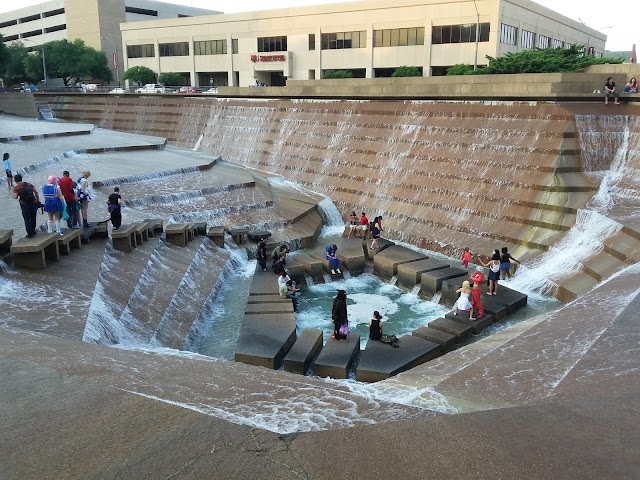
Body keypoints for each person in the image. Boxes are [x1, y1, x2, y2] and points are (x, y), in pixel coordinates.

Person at [12, 173, 40, 238]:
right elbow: (36, 192)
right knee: (33, 217)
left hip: (25, 205)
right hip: (33, 203)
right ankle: (33, 231)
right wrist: (38, 201)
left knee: (27, 219)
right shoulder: (28, 184)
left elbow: (15, 197)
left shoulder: (16, 188)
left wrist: (13, 191)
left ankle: (30, 234)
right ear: (21, 179)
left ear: (15, 180)